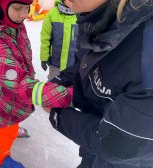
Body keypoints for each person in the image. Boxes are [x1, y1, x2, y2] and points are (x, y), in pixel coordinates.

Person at [46, 0, 153, 168]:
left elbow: (118, 145)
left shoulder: (148, 48)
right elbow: (85, 57)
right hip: (94, 145)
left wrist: (58, 114)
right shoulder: (98, 14)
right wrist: (61, 81)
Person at [0, 0, 73, 167]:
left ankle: (12, 127)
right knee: (6, 129)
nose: (24, 14)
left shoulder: (12, 22)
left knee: (12, 119)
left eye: (27, 8)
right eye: (18, 8)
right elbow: (19, 84)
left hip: (15, 90)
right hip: (4, 96)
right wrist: (66, 96)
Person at [40, 0, 77, 81]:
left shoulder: (82, 15)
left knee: (71, 88)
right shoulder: (52, 14)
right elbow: (45, 37)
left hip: (73, 65)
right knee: (54, 85)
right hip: (55, 63)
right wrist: (44, 57)